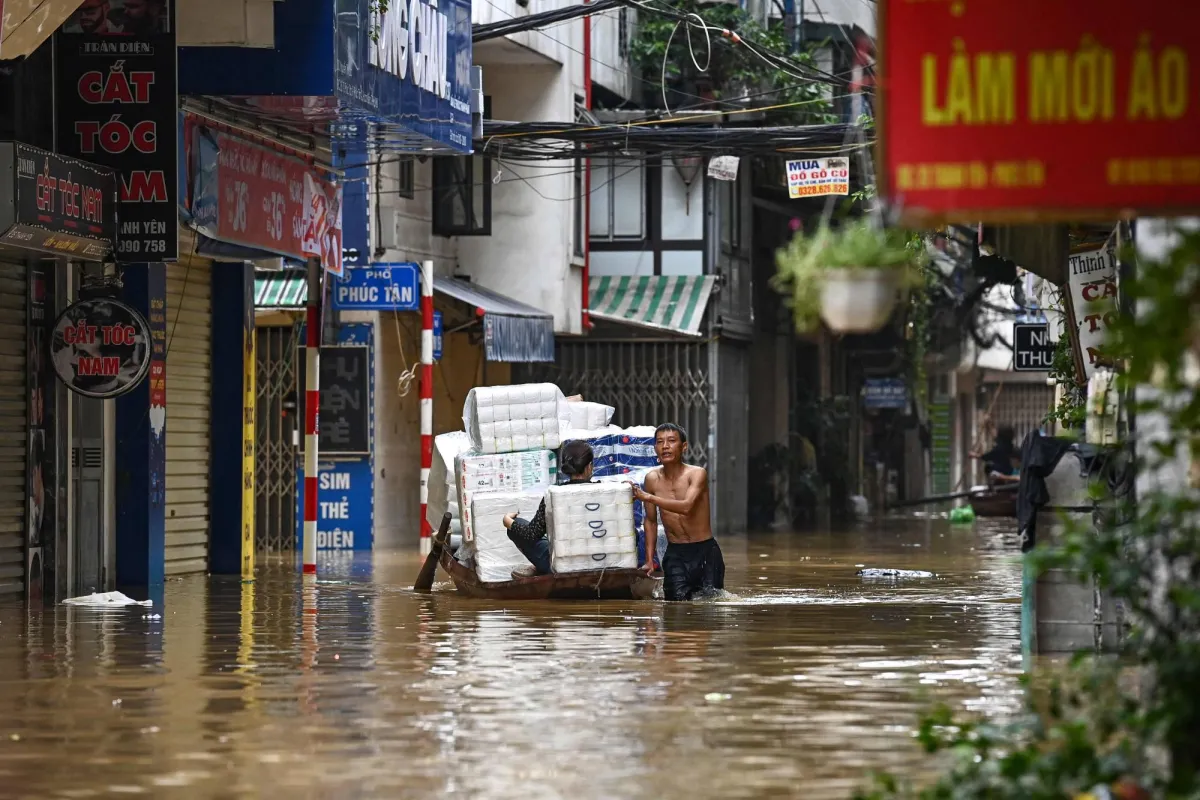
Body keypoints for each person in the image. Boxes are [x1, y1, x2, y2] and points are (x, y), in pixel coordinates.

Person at [631, 423, 725, 601]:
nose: (665, 446)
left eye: (671, 441)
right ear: (655, 448)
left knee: (711, 606)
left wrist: (648, 497)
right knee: (675, 607)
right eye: (660, 442)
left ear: (684, 447)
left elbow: (686, 507)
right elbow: (650, 521)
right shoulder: (651, 479)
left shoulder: (697, 474)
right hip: (675, 552)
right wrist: (649, 560)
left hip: (705, 551)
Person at [502, 439, 596, 580]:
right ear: (589, 467)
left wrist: (508, 521)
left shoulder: (554, 494)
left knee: (517, 523)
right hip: (598, 559)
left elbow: (531, 534)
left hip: (561, 563)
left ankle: (541, 568)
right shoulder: (605, 492)